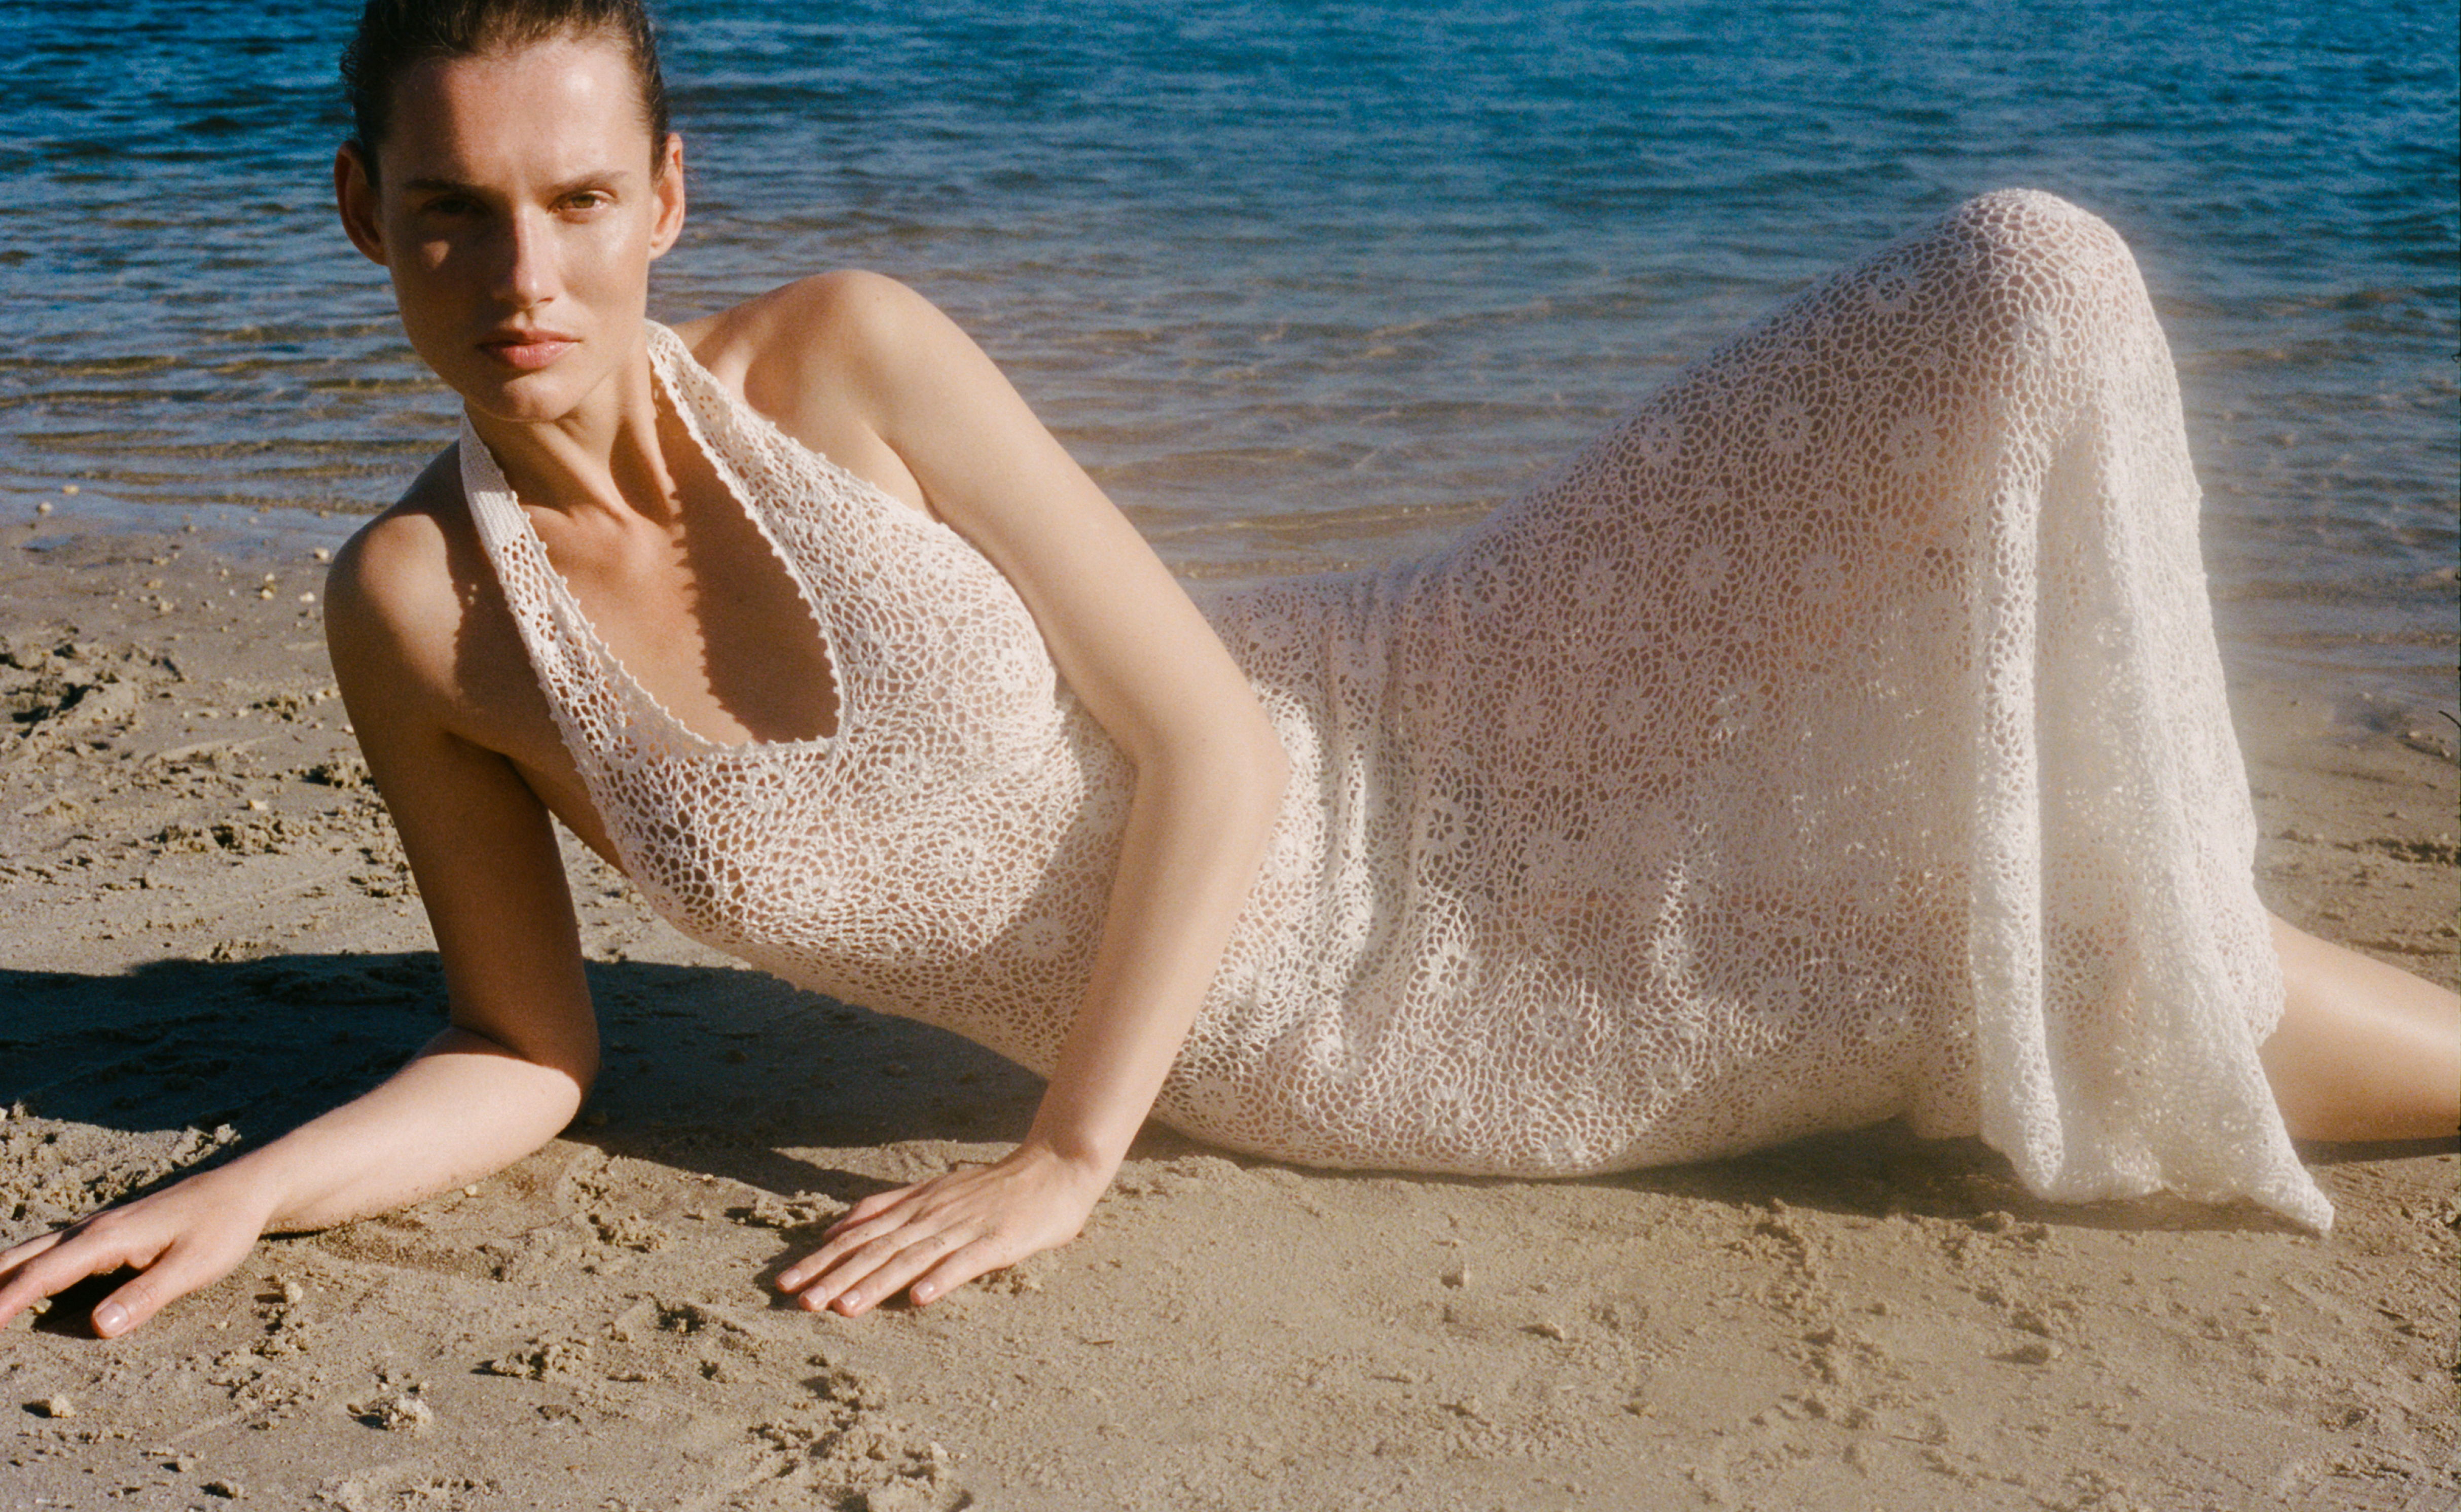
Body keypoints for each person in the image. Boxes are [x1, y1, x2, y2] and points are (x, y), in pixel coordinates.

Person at [3, 0, 2454, 1343]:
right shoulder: (419, 616)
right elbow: (523, 1052)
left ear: (663, 195)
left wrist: (1066, 1153)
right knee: (2100, 970)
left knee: (2024, 270)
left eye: (569, 201)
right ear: (361, 215)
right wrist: (256, 1192)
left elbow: (1198, 731)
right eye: (448, 212)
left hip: (1426, 703)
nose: (520, 275)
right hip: (1369, 1022)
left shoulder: (850, 356)